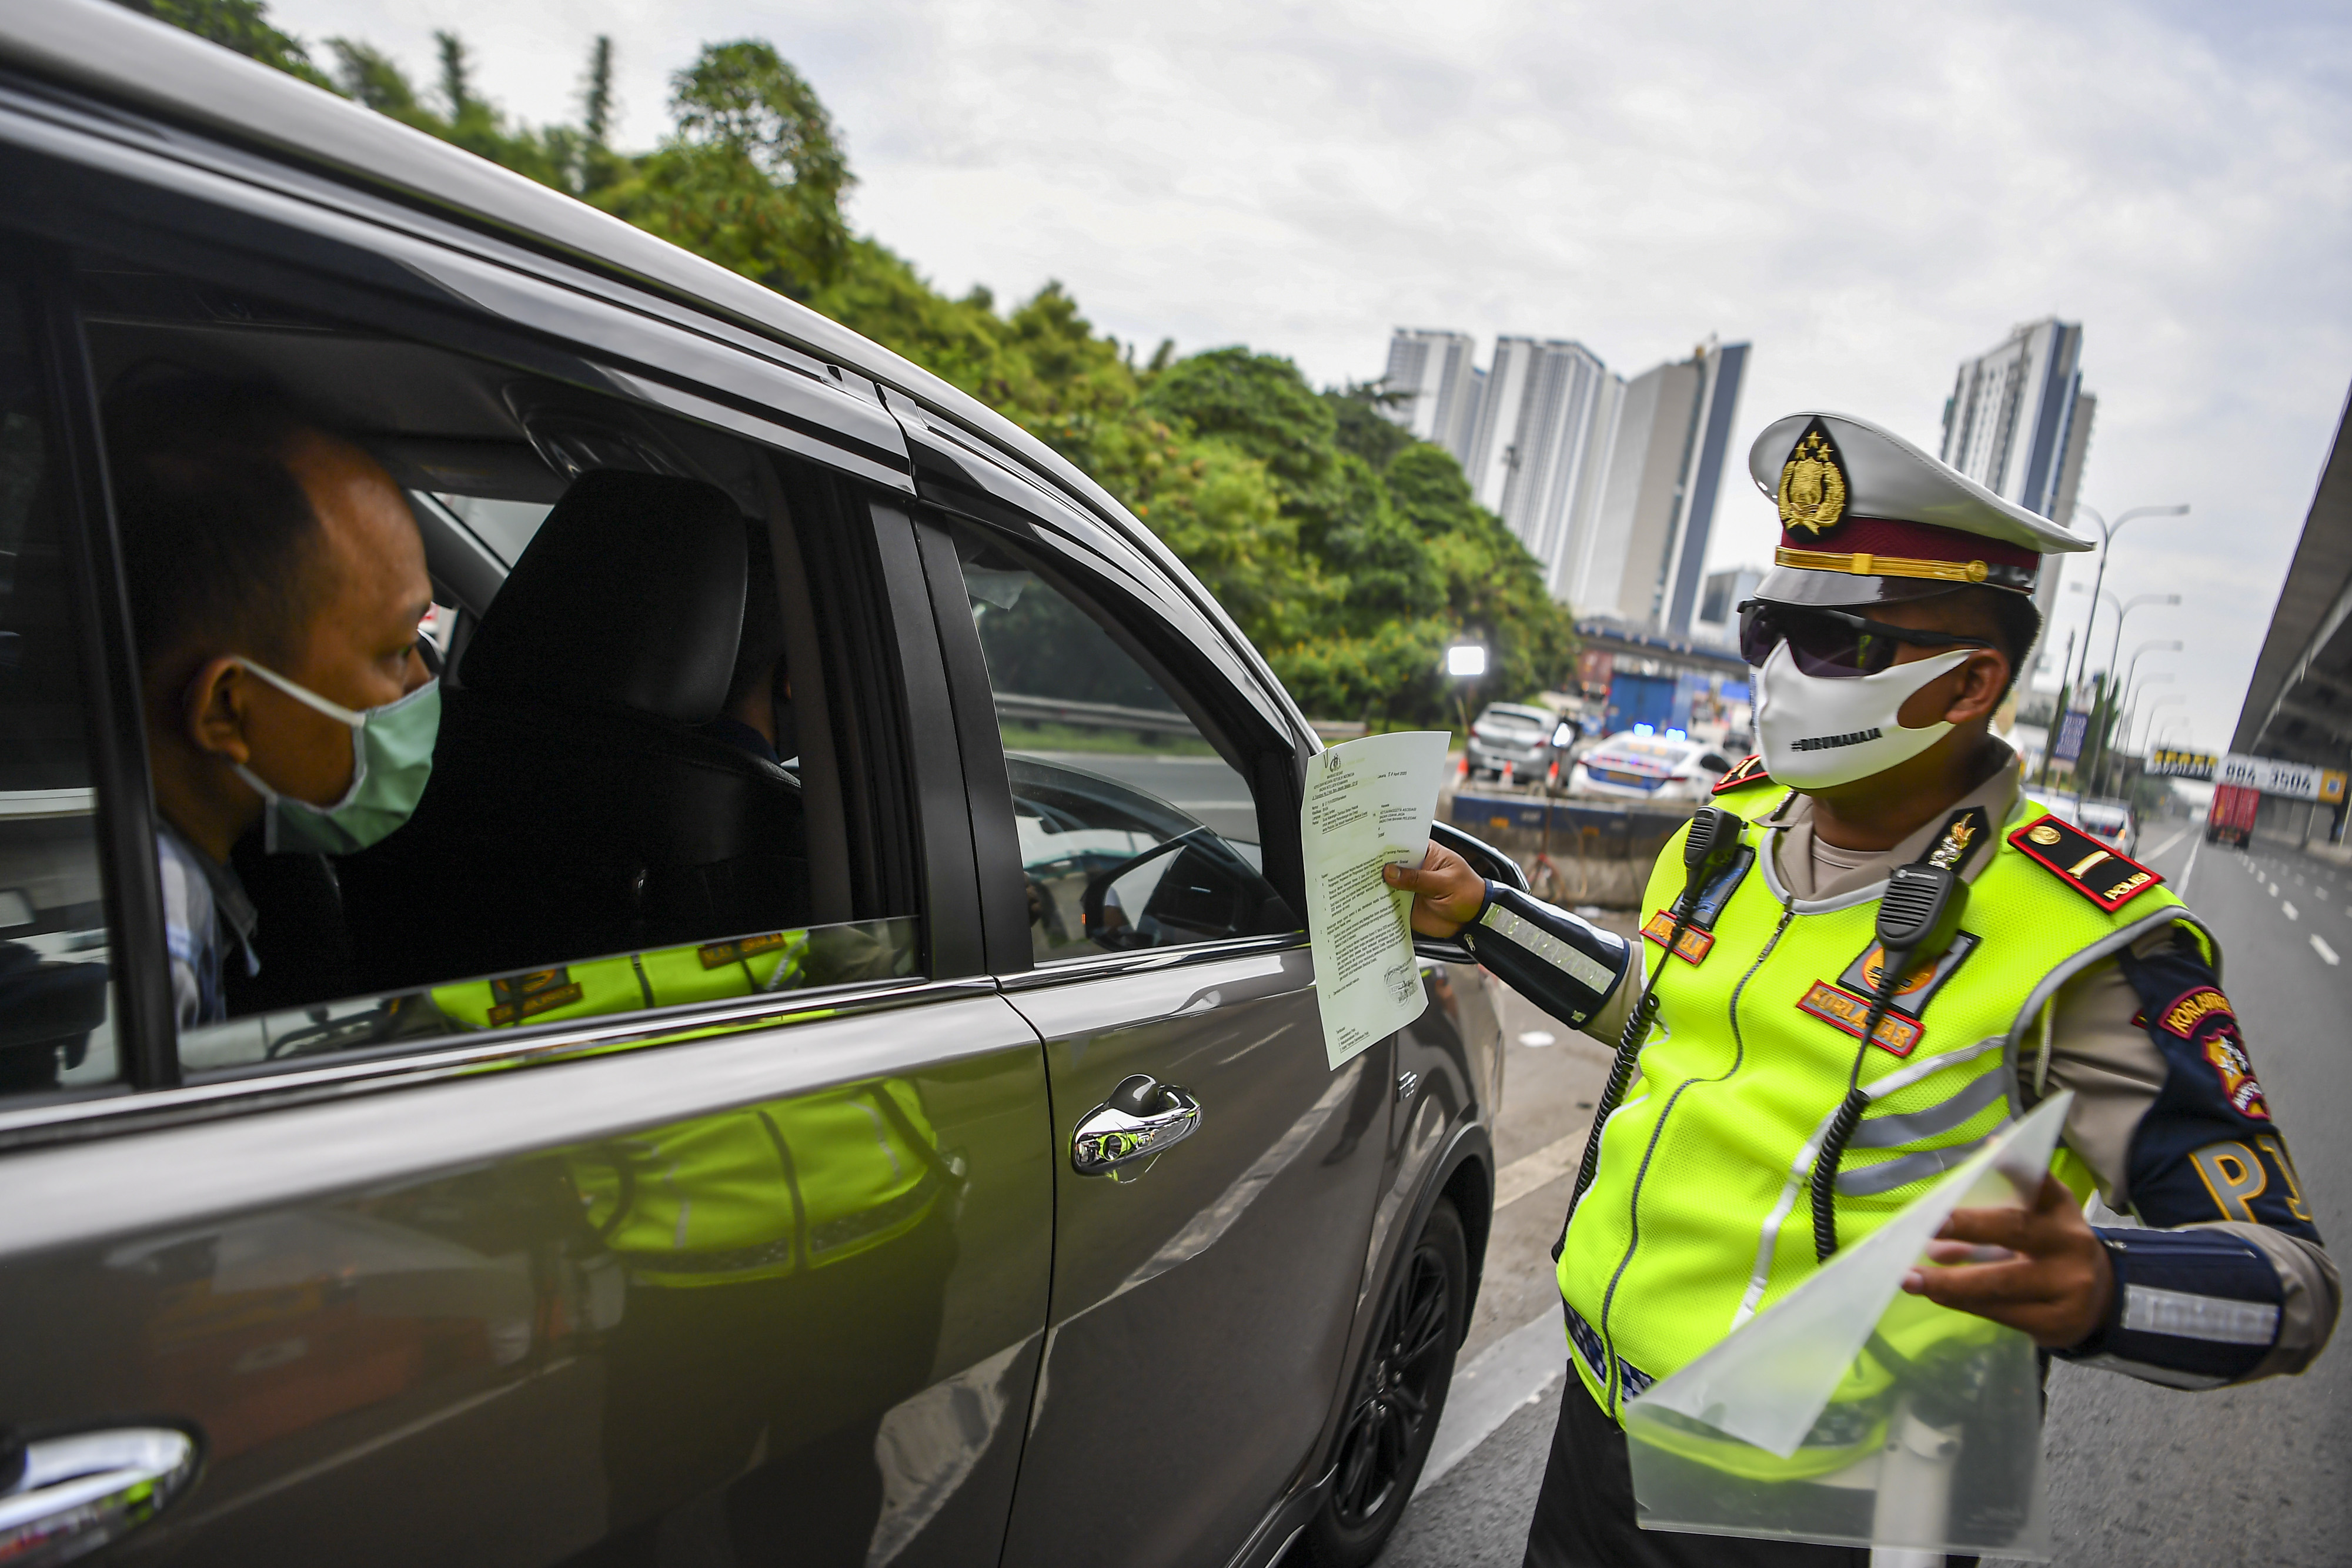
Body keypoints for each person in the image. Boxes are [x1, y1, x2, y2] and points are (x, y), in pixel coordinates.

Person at [1387, 411, 2337, 1567]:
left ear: (1969, 681)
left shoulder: (2090, 944)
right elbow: (1666, 1013)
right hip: (1599, 1434)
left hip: (1839, 1508)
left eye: (1836, 643)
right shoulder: (1725, 835)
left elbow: (2288, 1287)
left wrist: (2102, 1285)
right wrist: (1484, 914)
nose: (1783, 673)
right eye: (1768, 627)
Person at [107, 370, 438, 1029]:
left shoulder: (132, 868)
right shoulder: (155, 936)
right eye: (397, 651)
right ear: (226, 709)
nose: (423, 684)